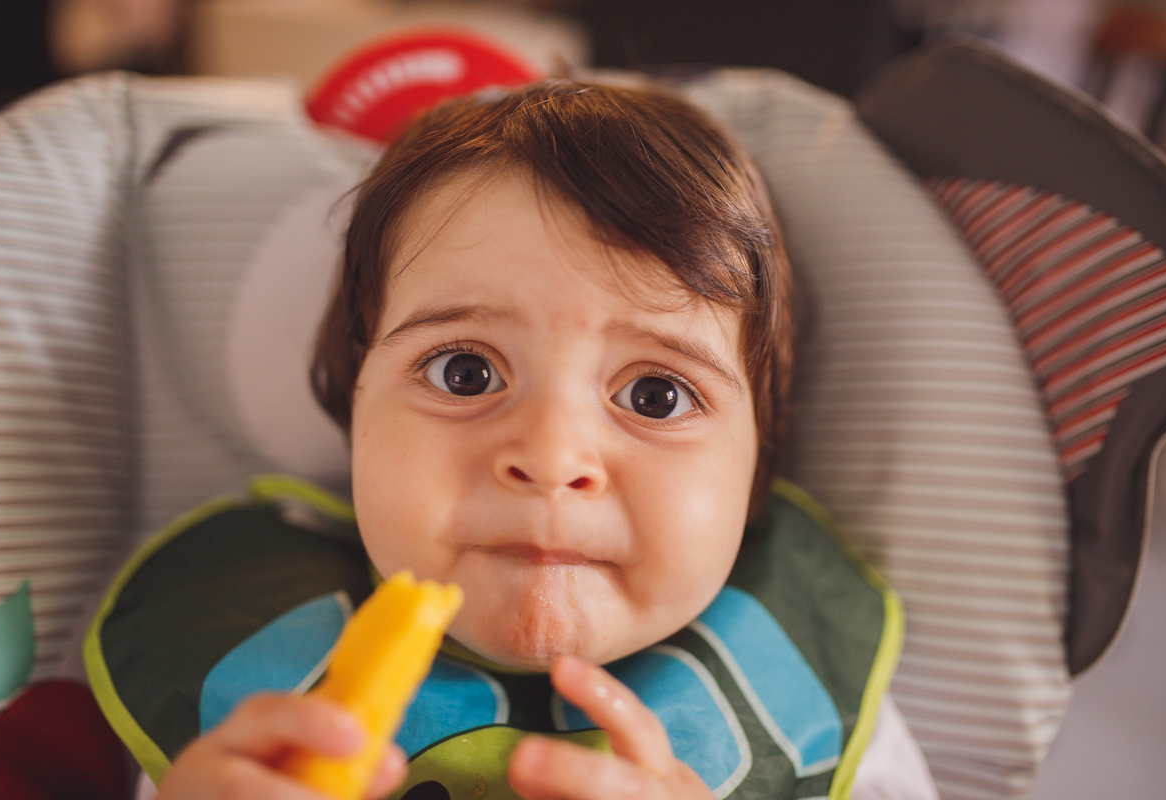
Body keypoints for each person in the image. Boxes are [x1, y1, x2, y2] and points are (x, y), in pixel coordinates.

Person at [151, 79, 938, 800]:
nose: (553, 458)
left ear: (758, 467)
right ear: (351, 400)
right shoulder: (234, 691)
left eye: (655, 395)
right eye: (464, 372)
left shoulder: (818, 702)